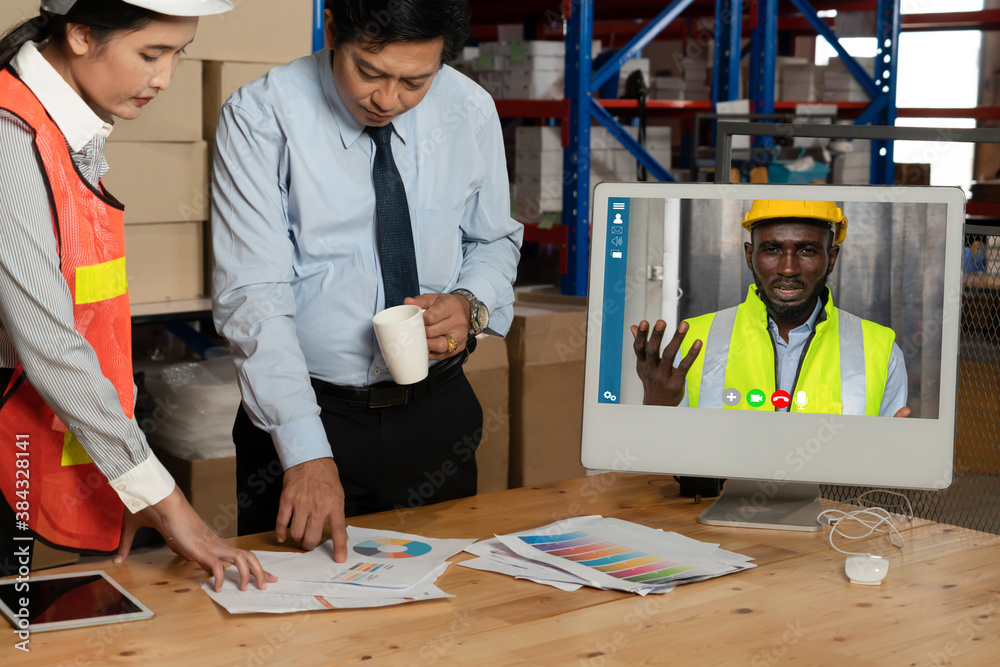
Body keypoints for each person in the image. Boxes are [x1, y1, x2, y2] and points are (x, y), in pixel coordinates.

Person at [211, 0, 522, 561]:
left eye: (415, 82)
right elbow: (253, 295)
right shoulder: (263, 116)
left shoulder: (468, 109)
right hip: (308, 417)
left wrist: (471, 303)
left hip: (437, 414)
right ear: (333, 30)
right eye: (370, 71)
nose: (386, 100)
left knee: (438, 617)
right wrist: (305, 454)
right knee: (295, 622)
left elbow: (493, 239)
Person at [0, 0, 274, 592]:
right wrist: (167, 502)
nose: (164, 78)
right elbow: (48, 343)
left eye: (179, 55)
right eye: (150, 54)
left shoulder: (64, 125)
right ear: (78, 34)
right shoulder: (10, 132)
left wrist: (121, 484)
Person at [631, 200, 910, 418]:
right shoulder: (694, 342)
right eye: (772, 249)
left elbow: (883, 464)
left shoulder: (878, 348)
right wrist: (657, 407)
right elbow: (662, 465)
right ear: (750, 256)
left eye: (807, 251)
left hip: (835, 495)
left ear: (831, 258)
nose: (788, 268)